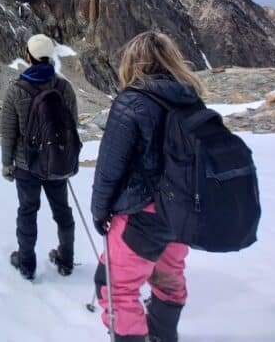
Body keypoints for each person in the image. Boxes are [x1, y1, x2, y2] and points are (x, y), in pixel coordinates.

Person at [91, 31, 206, 342]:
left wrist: (100, 211)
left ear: (132, 62)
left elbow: (109, 169)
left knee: (115, 288)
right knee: (169, 277)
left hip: (143, 216)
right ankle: (163, 336)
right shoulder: (192, 100)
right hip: (182, 215)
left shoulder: (131, 102)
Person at [0, 34, 79, 280]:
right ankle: (66, 260)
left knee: (27, 211)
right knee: (63, 211)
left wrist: (6, 163)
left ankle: (26, 264)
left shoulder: (16, 90)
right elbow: (72, 125)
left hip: (27, 165)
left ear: (29, 56)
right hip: (56, 162)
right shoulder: (64, 87)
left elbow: (8, 131)